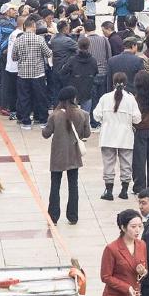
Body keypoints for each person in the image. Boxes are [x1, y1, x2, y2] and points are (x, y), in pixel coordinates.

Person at [42, 86, 91, 225]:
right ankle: (73, 216)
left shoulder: (55, 115)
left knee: (55, 186)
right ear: (74, 98)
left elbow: (46, 134)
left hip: (58, 156)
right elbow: (87, 134)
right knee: (73, 186)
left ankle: (53, 217)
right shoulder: (83, 114)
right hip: (74, 155)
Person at [94, 72, 142, 201]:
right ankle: (124, 190)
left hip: (108, 135)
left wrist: (106, 120)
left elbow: (96, 115)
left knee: (108, 163)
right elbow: (137, 118)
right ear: (126, 84)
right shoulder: (130, 99)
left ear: (113, 83)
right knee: (126, 163)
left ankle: (109, 190)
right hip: (125, 136)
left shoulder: (105, 98)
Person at [101, 209, 148, 296]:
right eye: (133, 226)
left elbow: (145, 269)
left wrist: (143, 272)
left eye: (140, 226)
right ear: (123, 228)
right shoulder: (112, 248)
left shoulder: (142, 245)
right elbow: (105, 276)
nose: (138, 230)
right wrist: (127, 287)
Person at [12, 20, 52, 129]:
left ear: (25, 27)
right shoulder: (40, 39)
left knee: (24, 98)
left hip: (23, 74)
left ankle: (26, 122)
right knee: (40, 97)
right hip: (38, 74)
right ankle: (43, 120)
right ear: (34, 27)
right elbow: (48, 53)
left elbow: (14, 57)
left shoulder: (18, 40)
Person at [0, 7, 21, 118]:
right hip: (4, 55)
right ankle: (4, 105)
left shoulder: (6, 22)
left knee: (5, 81)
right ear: (6, 11)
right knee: (6, 82)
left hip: (4, 55)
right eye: (12, 9)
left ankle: (1, 104)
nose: (15, 11)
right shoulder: (5, 24)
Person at [63, 35, 102, 112]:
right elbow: (95, 72)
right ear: (88, 46)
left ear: (78, 46)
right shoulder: (93, 60)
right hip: (87, 89)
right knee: (86, 113)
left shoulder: (72, 60)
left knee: (72, 113)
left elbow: (63, 72)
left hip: (74, 89)